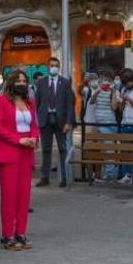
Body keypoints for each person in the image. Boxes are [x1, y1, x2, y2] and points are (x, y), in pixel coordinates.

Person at [0, 70, 39, 251]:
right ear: (11, 83)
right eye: (18, 81)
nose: (22, 84)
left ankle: (21, 232)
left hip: (27, 152)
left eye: (24, 81)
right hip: (10, 152)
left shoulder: (30, 102)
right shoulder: (1, 101)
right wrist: (18, 139)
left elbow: (34, 125)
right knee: (9, 196)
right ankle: (7, 235)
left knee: (24, 196)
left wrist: (33, 137)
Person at [35, 57, 76, 187]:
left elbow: (70, 105)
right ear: (48, 67)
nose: (54, 68)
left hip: (61, 120)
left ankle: (64, 178)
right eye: (52, 65)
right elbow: (37, 102)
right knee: (46, 149)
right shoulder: (41, 83)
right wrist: (37, 119)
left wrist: (69, 122)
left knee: (63, 149)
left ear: (59, 67)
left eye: (56, 66)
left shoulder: (65, 83)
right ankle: (45, 177)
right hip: (45, 119)